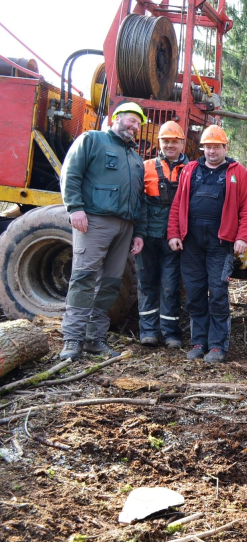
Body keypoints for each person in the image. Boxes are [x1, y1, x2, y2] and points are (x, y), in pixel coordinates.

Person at [59, 102, 147, 360]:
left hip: (125, 227)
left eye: (138, 123)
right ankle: (72, 340)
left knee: (110, 284)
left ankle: (94, 339)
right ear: (116, 118)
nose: (134, 126)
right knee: (84, 278)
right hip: (95, 221)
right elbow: (71, 173)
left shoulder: (136, 159)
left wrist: (139, 232)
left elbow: (140, 199)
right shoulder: (92, 140)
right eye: (131, 120)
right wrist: (75, 207)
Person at [167, 125, 247, 364]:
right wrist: (174, 233)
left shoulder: (238, 172)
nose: (212, 151)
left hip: (221, 244)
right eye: (208, 146)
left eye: (217, 146)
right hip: (191, 243)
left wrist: (242, 237)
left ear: (225, 147)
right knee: (194, 293)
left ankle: (217, 346)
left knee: (217, 293)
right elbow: (177, 205)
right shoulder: (190, 170)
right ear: (202, 148)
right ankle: (199, 342)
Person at [137, 120, 189, 349]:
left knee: (170, 285)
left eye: (174, 142)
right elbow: (136, 201)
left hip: (174, 238)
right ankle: (148, 330)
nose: (170, 145)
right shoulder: (145, 166)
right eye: (166, 141)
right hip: (148, 236)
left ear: (182, 144)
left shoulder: (191, 169)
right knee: (146, 282)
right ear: (159, 142)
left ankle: (170, 333)